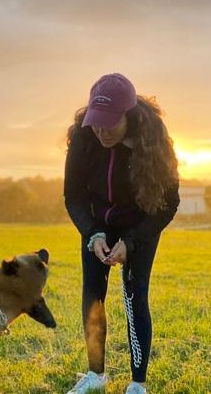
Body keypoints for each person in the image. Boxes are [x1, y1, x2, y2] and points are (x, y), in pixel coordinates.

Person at [63, 73, 180, 394]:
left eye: (109, 124)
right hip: (97, 224)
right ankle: (95, 375)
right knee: (93, 295)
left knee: (135, 295)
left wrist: (131, 242)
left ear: (128, 116)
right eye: (96, 122)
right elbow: (73, 195)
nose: (101, 131)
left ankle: (137, 384)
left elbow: (169, 203)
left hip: (140, 224)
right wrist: (93, 234)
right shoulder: (85, 137)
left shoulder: (153, 142)